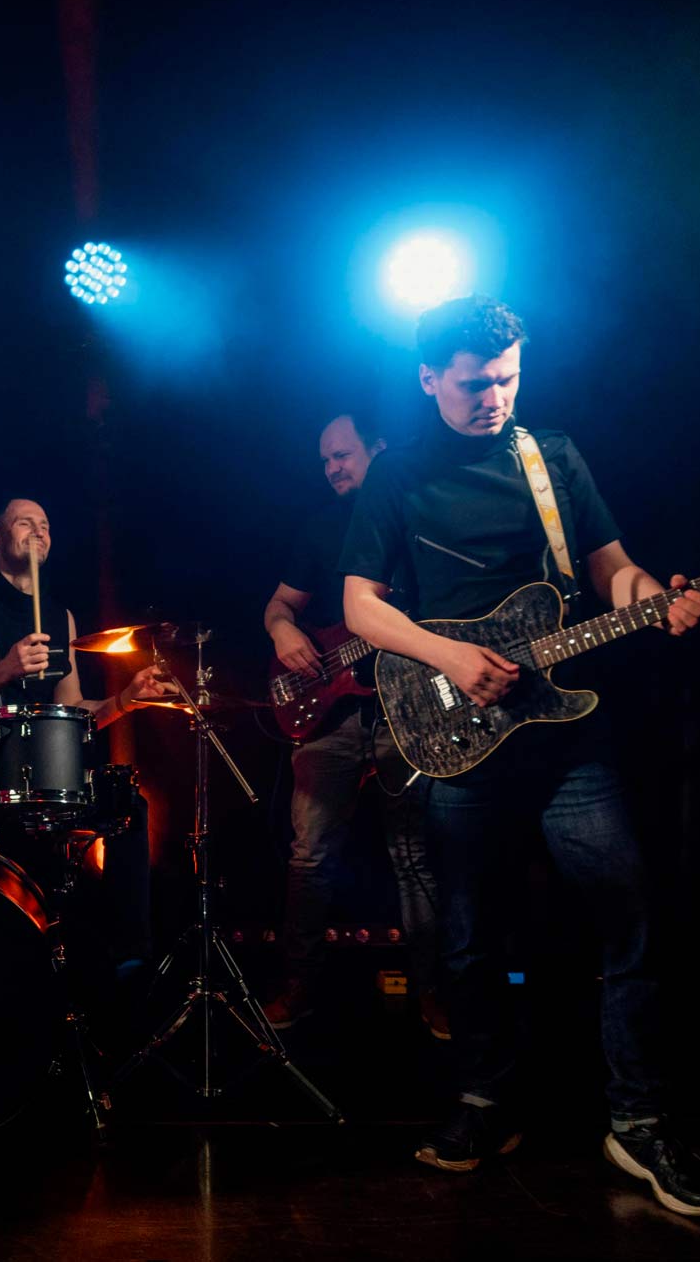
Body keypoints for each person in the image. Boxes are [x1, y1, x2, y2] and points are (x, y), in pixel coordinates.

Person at [338, 294, 700, 1216]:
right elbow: (360, 605)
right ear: (429, 379)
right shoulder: (397, 476)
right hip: (459, 734)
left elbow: (611, 569)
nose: (496, 398)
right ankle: (485, 1100)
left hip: (568, 733)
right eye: (475, 384)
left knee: (628, 910)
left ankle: (638, 1119)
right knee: (469, 936)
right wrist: (449, 656)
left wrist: (652, 595)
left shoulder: (552, 456)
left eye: (509, 378)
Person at [0, 497, 180, 973]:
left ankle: (129, 957)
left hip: (45, 770)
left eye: (44, 524)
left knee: (127, 802)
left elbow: (74, 711)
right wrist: (4, 671)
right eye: (25, 523)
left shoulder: (60, 617)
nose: (38, 531)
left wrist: (126, 698)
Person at [262, 414, 443, 1038]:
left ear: (379, 449)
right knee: (309, 855)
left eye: (342, 455)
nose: (333, 468)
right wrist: (283, 631)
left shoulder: (419, 515)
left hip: (408, 707)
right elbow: (280, 603)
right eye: (326, 460)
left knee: (415, 855)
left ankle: (435, 993)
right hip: (332, 714)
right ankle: (297, 989)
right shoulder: (320, 526)